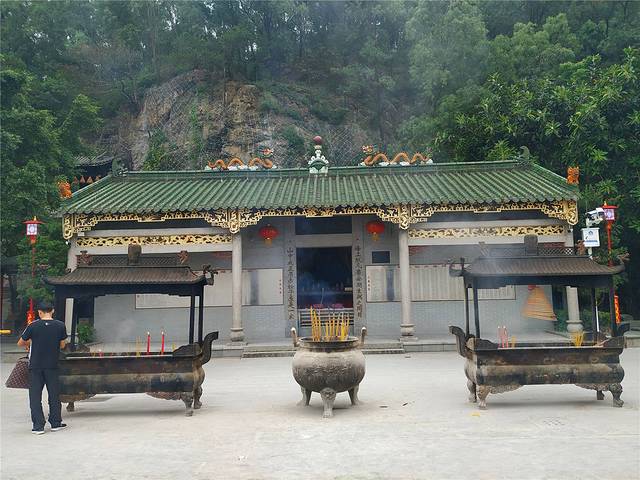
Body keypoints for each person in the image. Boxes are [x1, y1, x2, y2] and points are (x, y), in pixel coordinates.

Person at [17, 301, 68, 435]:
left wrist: (33, 340)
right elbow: (62, 345)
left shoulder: (33, 326)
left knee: (35, 396)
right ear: (52, 311)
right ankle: (56, 423)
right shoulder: (60, 325)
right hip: (52, 365)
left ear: (39, 312)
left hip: (35, 366)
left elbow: (20, 343)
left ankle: (38, 426)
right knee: (54, 395)